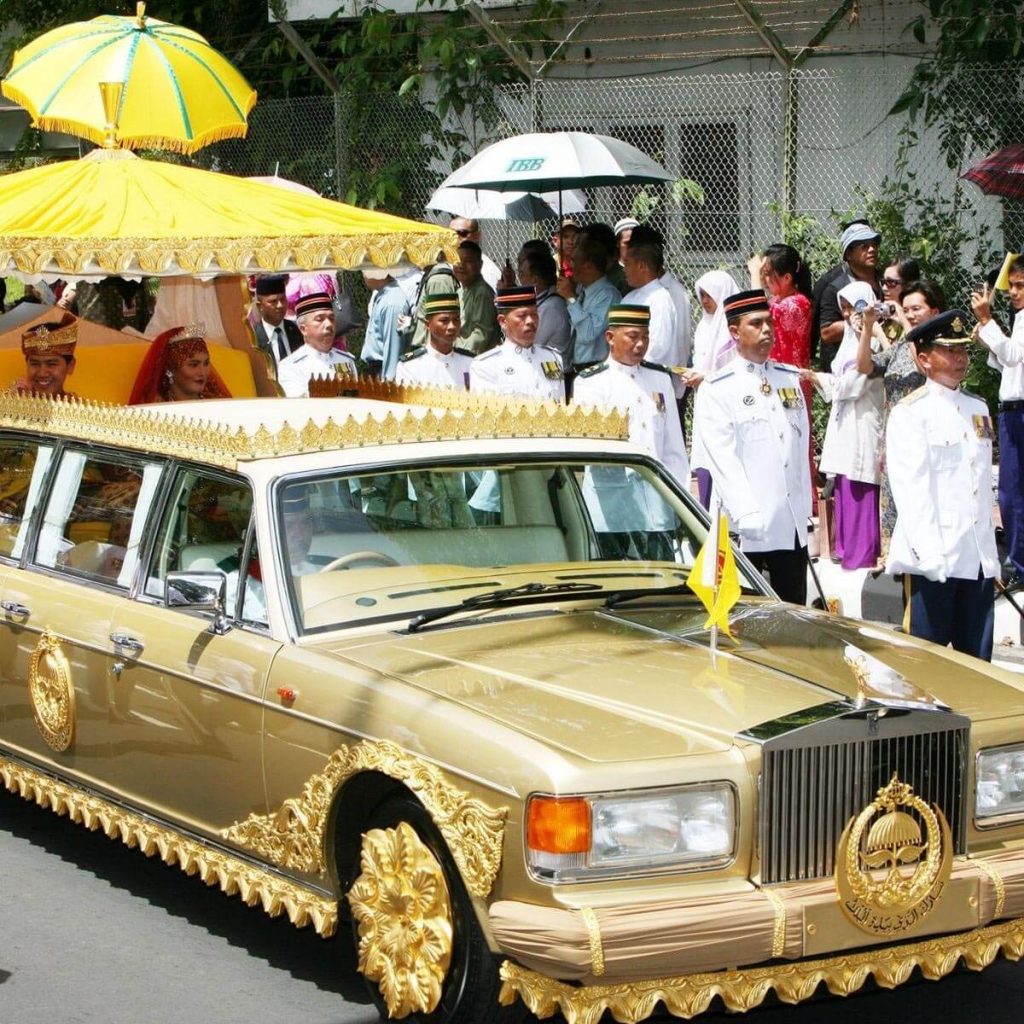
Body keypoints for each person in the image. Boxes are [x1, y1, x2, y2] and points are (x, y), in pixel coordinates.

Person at [885, 310, 998, 661]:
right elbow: (911, 490)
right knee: (927, 668)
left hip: (976, 556)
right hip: (935, 558)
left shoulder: (977, 407)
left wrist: (990, 558)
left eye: (963, 350)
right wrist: (930, 557)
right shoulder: (910, 413)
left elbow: (980, 484)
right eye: (949, 350)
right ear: (923, 359)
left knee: (978, 667)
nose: (960, 358)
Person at [694, 290, 811, 604]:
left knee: (792, 609)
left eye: (769, 323)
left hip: (789, 521)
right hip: (745, 525)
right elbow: (722, 458)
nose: (767, 330)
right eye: (756, 324)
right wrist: (747, 512)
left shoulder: (788, 379)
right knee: (743, 614)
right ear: (735, 332)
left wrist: (804, 507)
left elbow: (798, 449)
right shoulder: (718, 388)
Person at [574, 303, 688, 560]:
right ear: (610, 338)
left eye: (645, 336)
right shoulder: (591, 383)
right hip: (612, 503)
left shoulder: (659, 379)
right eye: (633, 336)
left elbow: (673, 448)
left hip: (656, 502)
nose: (640, 344)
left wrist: (679, 499)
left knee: (663, 580)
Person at [806, 281, 884, 570]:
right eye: (846, 309)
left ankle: (863, 554)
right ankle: (847, 550)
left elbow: (850, 387)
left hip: (862, 424)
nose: (851, 314)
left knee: (860, 482)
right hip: (845, 424)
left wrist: (818, 378)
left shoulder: (872, 345)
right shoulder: (848, 344)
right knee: (845, 484)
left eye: (856, 307)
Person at [972, 256, 1024, 585]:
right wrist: (988, 336)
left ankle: (1020, 564)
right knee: (1010, 492)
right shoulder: (1019, 318)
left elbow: (1013, 357)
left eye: (1021, 287)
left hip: (1019, 411)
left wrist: (988, 321)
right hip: (1013, 410)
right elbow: (1010, 365)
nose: (1014, 293)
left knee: (1013, 493)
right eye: (1013, 287)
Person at [688, 270, 739, 508]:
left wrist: (705, 377)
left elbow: (736, 371)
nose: (704, 301)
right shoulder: (703, 327)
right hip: (704, 401)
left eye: (709, 296)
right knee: (704, 459)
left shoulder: (734, 330)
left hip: (727, 405)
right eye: (702, 296)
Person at [469, 285, 564, 401]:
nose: (530, 321)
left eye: (534, 314)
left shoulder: (553, 357)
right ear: (503, 321)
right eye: (522, 316)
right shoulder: (486, 365)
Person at [811, 221, 881, 369]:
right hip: (849, 367)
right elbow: (826, 333)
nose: (872, 249)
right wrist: (862, 322)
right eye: (864, 246)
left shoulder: (887, 282)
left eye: (874, 244)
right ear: (848, 254)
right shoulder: (835, 288)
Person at [555, 231, 622, 370]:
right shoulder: (583, 292)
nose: (570, 265)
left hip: (594, 368)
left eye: (574, 260)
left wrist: (571, 298)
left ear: (588, 266)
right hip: (574, 366)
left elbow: (588, 334)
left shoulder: (608, 295)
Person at [277, 292, 358, 397]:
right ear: (303, 329)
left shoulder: (346, 360)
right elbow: (298, 406)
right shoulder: (291, 366)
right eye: (320, 319)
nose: (329, 324)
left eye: (331, 318)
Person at [622, 226, 680, 372]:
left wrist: (635, 368)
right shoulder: (629, 297)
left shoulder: (660, 299)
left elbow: (657, 347)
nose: (624, 269)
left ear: (642, 265)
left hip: (649, 374)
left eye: (627, 264)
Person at [128, 323, 231, 404]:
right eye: (193, 365)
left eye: (206, 363)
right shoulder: (156, 409)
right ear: (170, 369)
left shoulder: (218, 404)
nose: (202, 372)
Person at [395, 293, 473, 390]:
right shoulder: (410, 365)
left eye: (456, 319)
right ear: (428, 325)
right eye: (444, 320)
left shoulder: (470, 363)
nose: (452, 326)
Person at [518, 248, 571, 360]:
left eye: (522, 275)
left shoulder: (551, 307)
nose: (520, 280)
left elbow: (530, 342)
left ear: (535, 280)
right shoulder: (543, 301)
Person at [361, 270, 410, 380]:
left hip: (382, 372)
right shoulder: (385, 296)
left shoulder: (392, 302)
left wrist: (388, 384)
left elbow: (394, 348)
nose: (363, 275)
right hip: (376, 371)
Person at [14, 314, 79, 398]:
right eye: (35, 364)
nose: (42, 373)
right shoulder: (11, 402)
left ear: (70, 366)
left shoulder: (79, 409)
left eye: (51, 364)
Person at [453, 240, 500, 355]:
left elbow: (481, 333)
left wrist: (461, 355)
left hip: (473, 357)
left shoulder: (482, 292)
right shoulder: (460, 290)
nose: (461, 265)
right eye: (457, 260)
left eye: (468, 261)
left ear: (480, 264)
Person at [252, 274, 303, 365]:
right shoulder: (254, 339)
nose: (280, 305)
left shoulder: (298, 330)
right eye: (273, 301)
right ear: (260, 306)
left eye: (283, 299)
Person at [449, 216, 501, 291]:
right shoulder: (450, 264)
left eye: (462, 233)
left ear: (477, 236)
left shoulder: (486, 272)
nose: (455, 238)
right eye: (451, 233)